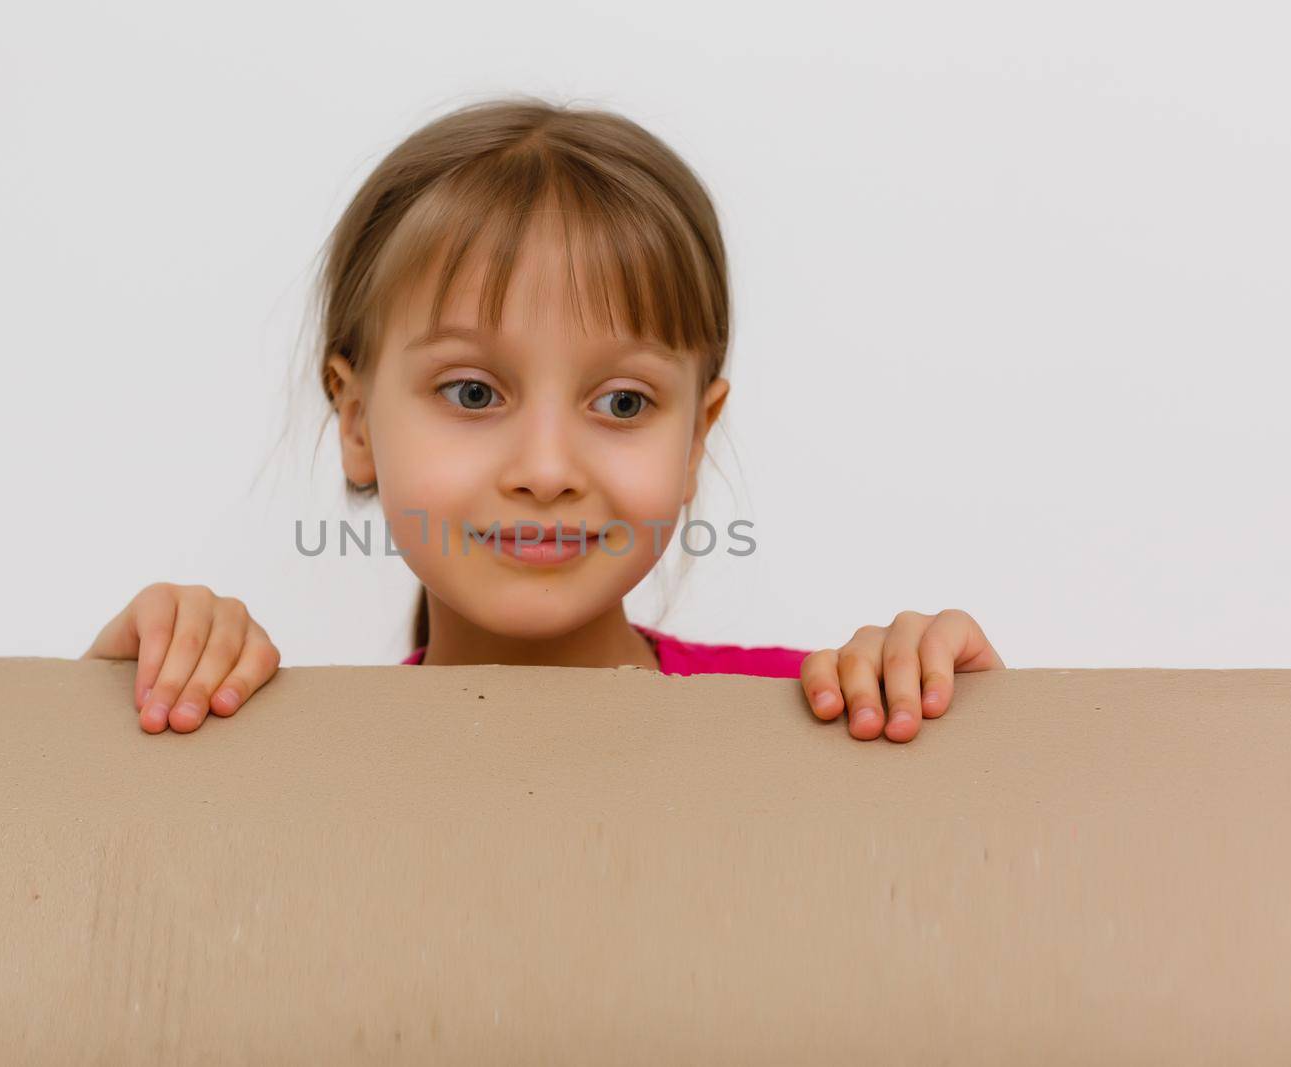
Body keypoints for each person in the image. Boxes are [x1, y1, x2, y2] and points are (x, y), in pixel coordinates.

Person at [83, 95, 1004, 743]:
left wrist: (963, 719)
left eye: (623, 403)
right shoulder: (281, 750)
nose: (548, 467)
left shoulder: (817, 720)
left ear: (697, 439)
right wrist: (128, 695)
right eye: (474, 394)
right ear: (356, 422)